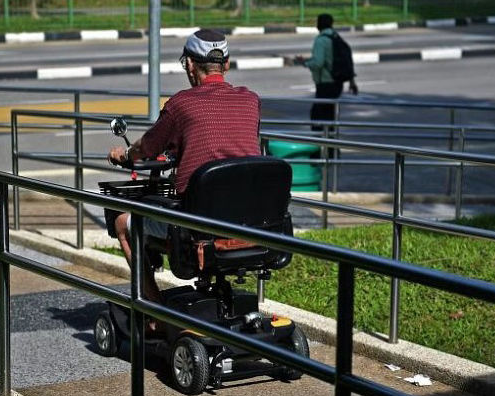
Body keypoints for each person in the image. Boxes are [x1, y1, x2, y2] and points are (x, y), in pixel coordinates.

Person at [107, 29, 261, 306]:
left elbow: (146, 149)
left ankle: (154, 313)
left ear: (189, 65)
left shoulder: (181, 105)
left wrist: (125, 156)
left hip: (197, 226)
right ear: (226, 64)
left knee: (121, 219)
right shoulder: (251, 101)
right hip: (250, 224)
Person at [296, 13, 358, 131]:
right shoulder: (336, 37)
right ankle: (331, 146)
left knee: (317, 117)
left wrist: (305, 63)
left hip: (325, 84)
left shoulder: (321, 40)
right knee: (330, 116)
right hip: (337, 83)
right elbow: (346, 60)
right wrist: (352, 82)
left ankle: (321, 145)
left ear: (319, 24)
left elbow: (318, 63)